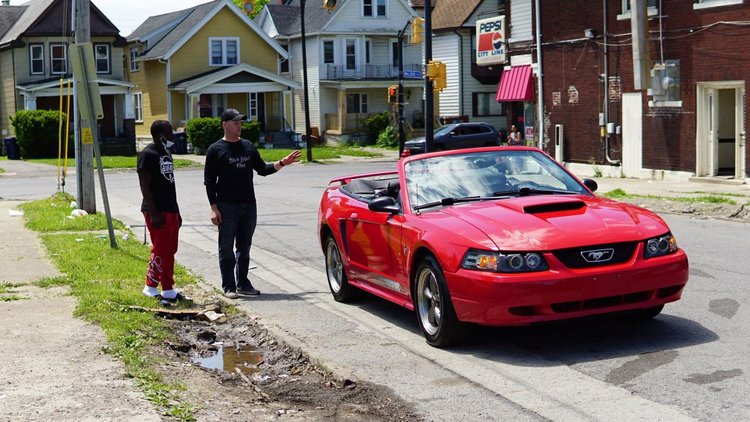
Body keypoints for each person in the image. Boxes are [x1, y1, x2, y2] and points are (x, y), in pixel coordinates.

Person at [204, 109, 301, 299]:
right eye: (235, 122)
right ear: (224, 124)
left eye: (240, 122)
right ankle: (229, 286)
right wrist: (214, 208)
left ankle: (243, 283)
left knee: (244, 247)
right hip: (226, 206)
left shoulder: (248, 146)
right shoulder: (215, 149)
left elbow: (263, 169)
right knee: (226, 248)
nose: (239, 125)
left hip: (248, 205)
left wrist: (282, 162)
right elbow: (209, 181)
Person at [137, 120, 183, 302]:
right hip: (156, 210)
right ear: (159, 134)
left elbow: (170, 185)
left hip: (170, 208)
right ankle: (150, 286)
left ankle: (168, 288)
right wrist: (154, 213)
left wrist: (177, 212)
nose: (172, 135)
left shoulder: (166, 152)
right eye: (169, 132)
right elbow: (144, 185)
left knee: (170, 250)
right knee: (160, 249)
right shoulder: (147, 154)